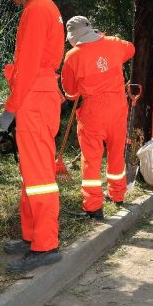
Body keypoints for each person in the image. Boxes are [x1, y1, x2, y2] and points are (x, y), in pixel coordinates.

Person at [0, 0, 65, 272]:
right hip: (38, 96)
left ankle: (46, 245)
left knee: (39, 178)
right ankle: (32, 236)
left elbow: (27, 66)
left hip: (34, 98)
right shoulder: (42, 7)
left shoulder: (36, 10)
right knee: (33, 174)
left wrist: (10, 110)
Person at [61, 16, 135, 218]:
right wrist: (104, 40)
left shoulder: (73, 56)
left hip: (93, 111)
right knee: (116, 150)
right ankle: (117, 194)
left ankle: (93, 206)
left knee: (92, 159)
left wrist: (75, 93)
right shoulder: (114, 43)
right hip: (118, 107)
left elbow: (70, 91)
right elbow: (131, 49)